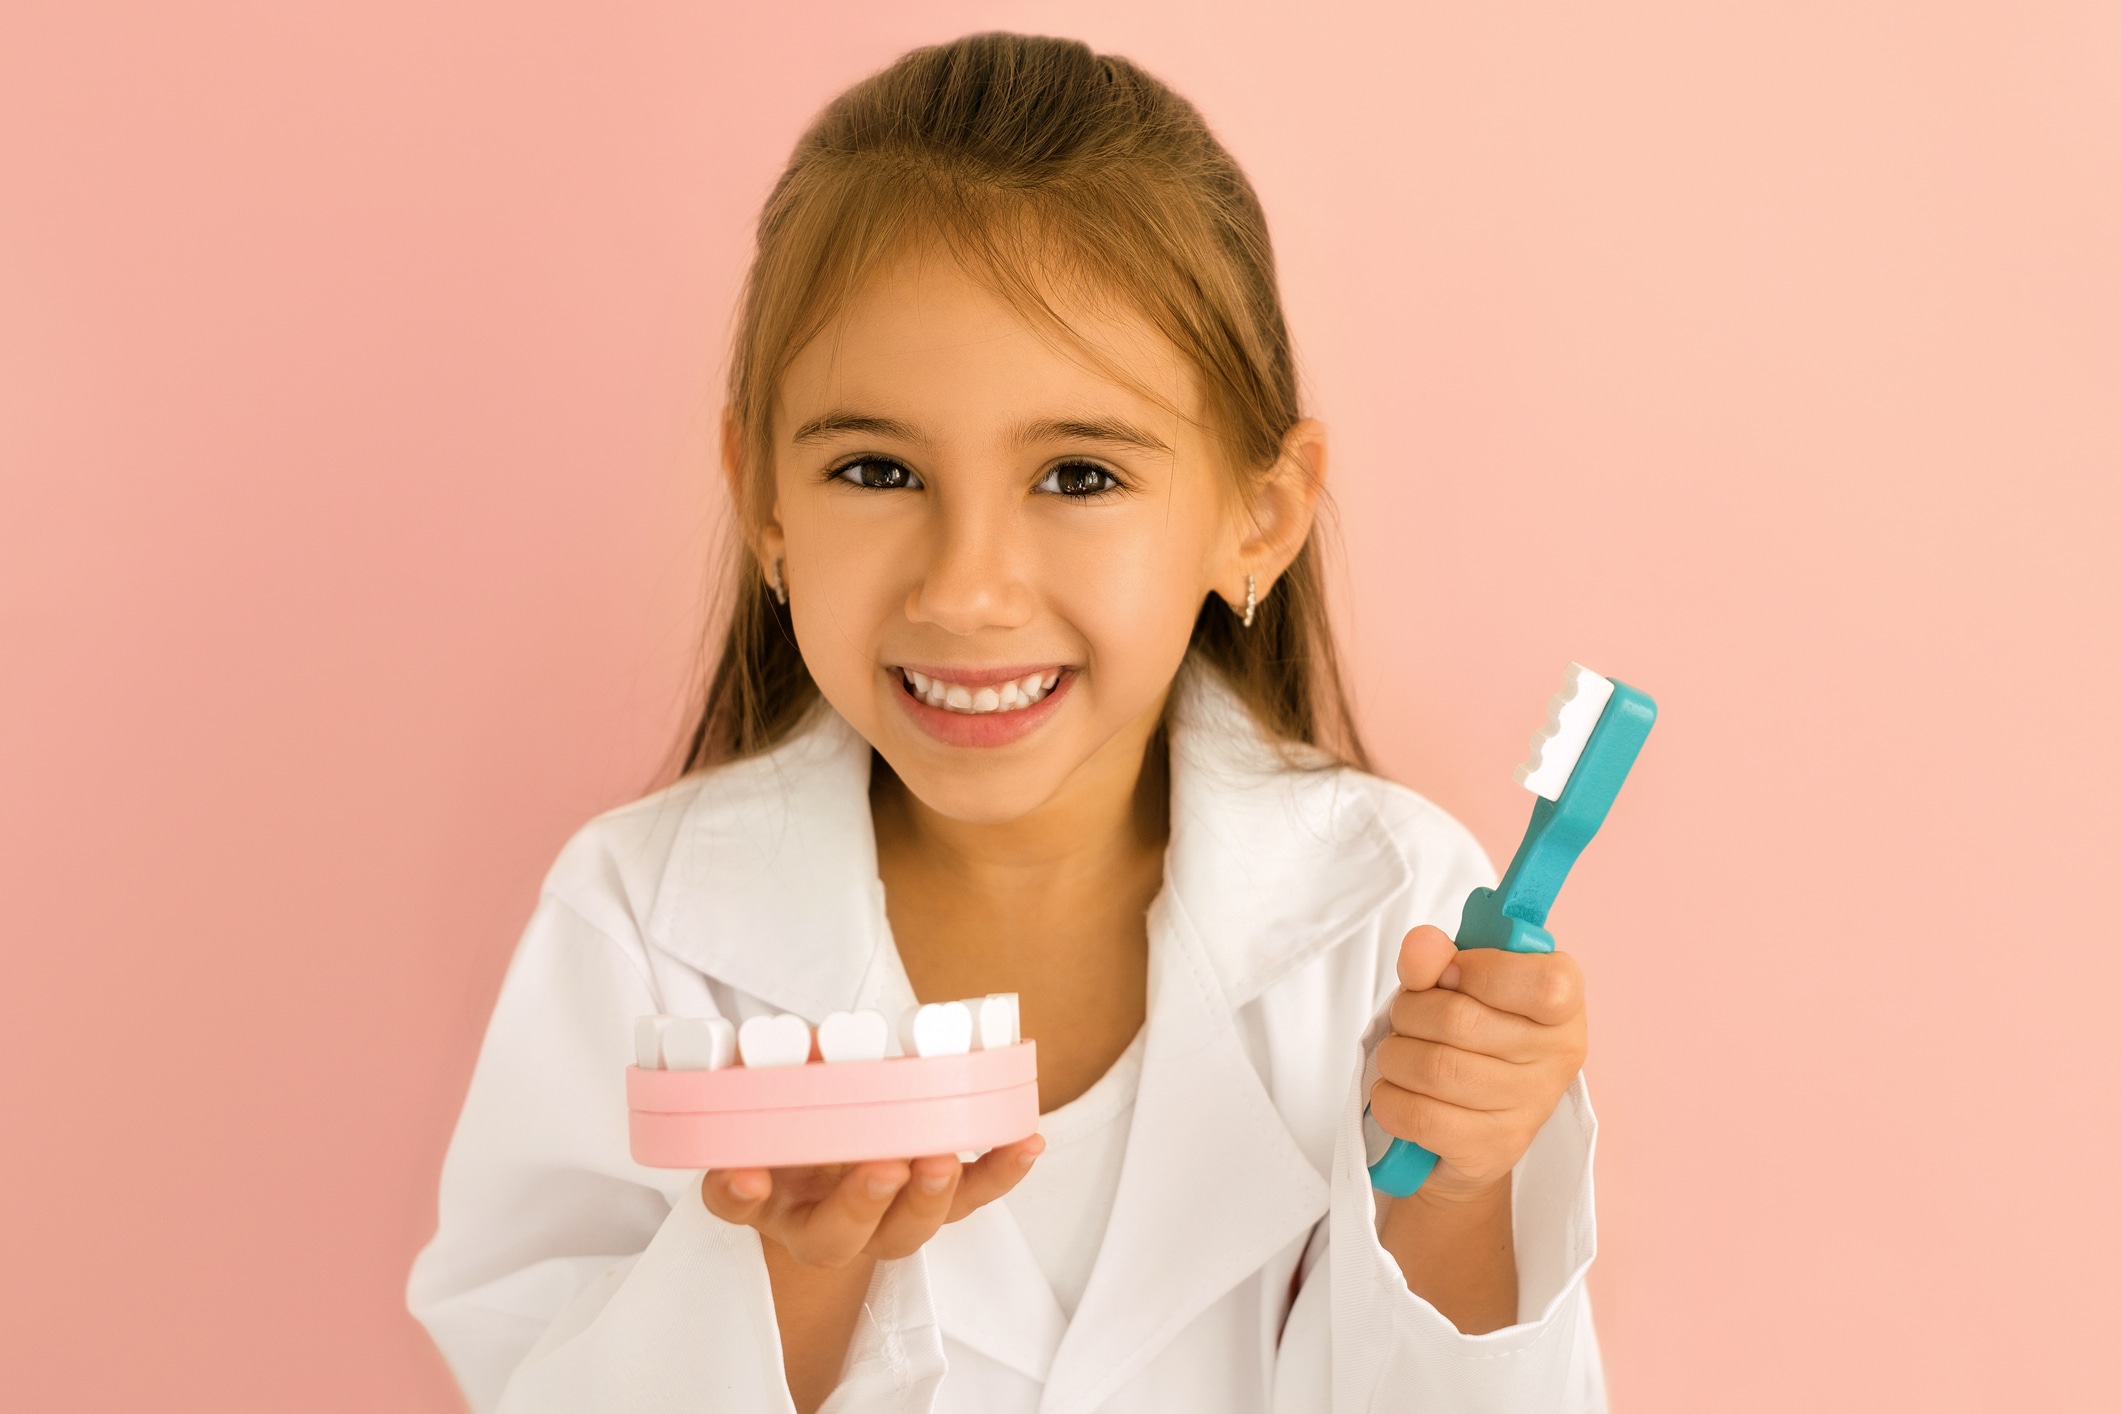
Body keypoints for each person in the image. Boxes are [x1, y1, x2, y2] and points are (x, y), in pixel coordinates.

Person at [408, 32, 1603, 1413]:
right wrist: (790, 1280)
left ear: (1256, 517)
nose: (964, 589)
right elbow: (533, 1375)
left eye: (1078, 474)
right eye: (875, 468)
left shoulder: (1392, 911)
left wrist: (1458, 1189)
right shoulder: (636, 918)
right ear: (764, 499)